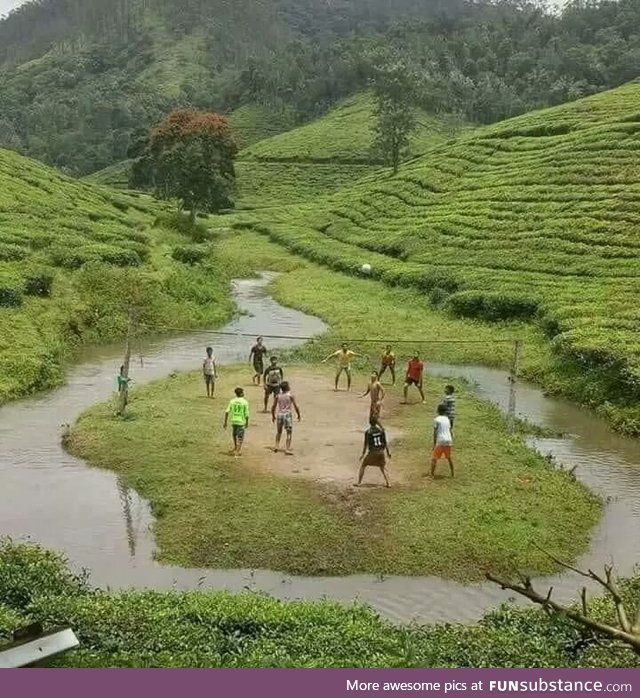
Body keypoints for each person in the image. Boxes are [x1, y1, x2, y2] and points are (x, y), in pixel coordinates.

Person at [357, 418, 391, 488]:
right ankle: (388, 483)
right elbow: (385, 443)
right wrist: (388, 453)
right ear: (376, 423)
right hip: (381, 452)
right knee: (383, 467)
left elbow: (365, 445)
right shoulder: (381, 431)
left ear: (369, 423)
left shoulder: (368, 432)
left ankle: (359, 483)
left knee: (363, 465)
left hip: (373, 452)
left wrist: (363, 454)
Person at [271, 381, 301, 455]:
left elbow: (273, 406)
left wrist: (273, 415)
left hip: (280, 415)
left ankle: (276, 446)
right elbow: (296, 406)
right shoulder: (290, 395)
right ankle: (287, 449)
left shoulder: (278, 396)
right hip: (287, 415)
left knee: (279, 432)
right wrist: (298, 415)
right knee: (289, 433)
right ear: (287, 387)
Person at [224, 387, 250, 458]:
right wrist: (247, 422)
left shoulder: (232, 401)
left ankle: (235, 447)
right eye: (243, 392)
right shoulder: (245, 402)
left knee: (234, 434)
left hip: (234, 421)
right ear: (241, 393)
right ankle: (237, 452)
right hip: (241, 422)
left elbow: (227, 412)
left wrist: (225, 422)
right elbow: (247, 414)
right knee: (240, 437)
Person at [431, 404, 454, 478]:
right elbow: (450, 430)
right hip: (448, 440)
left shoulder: (436, 419)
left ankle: (431, 474)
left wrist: (434, 443)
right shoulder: (447, 419)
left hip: (441, 440)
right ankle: (452, 474)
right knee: (449, 458)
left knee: (434, 458)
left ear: (438, 411)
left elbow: (435, 432)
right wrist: (452, 440)